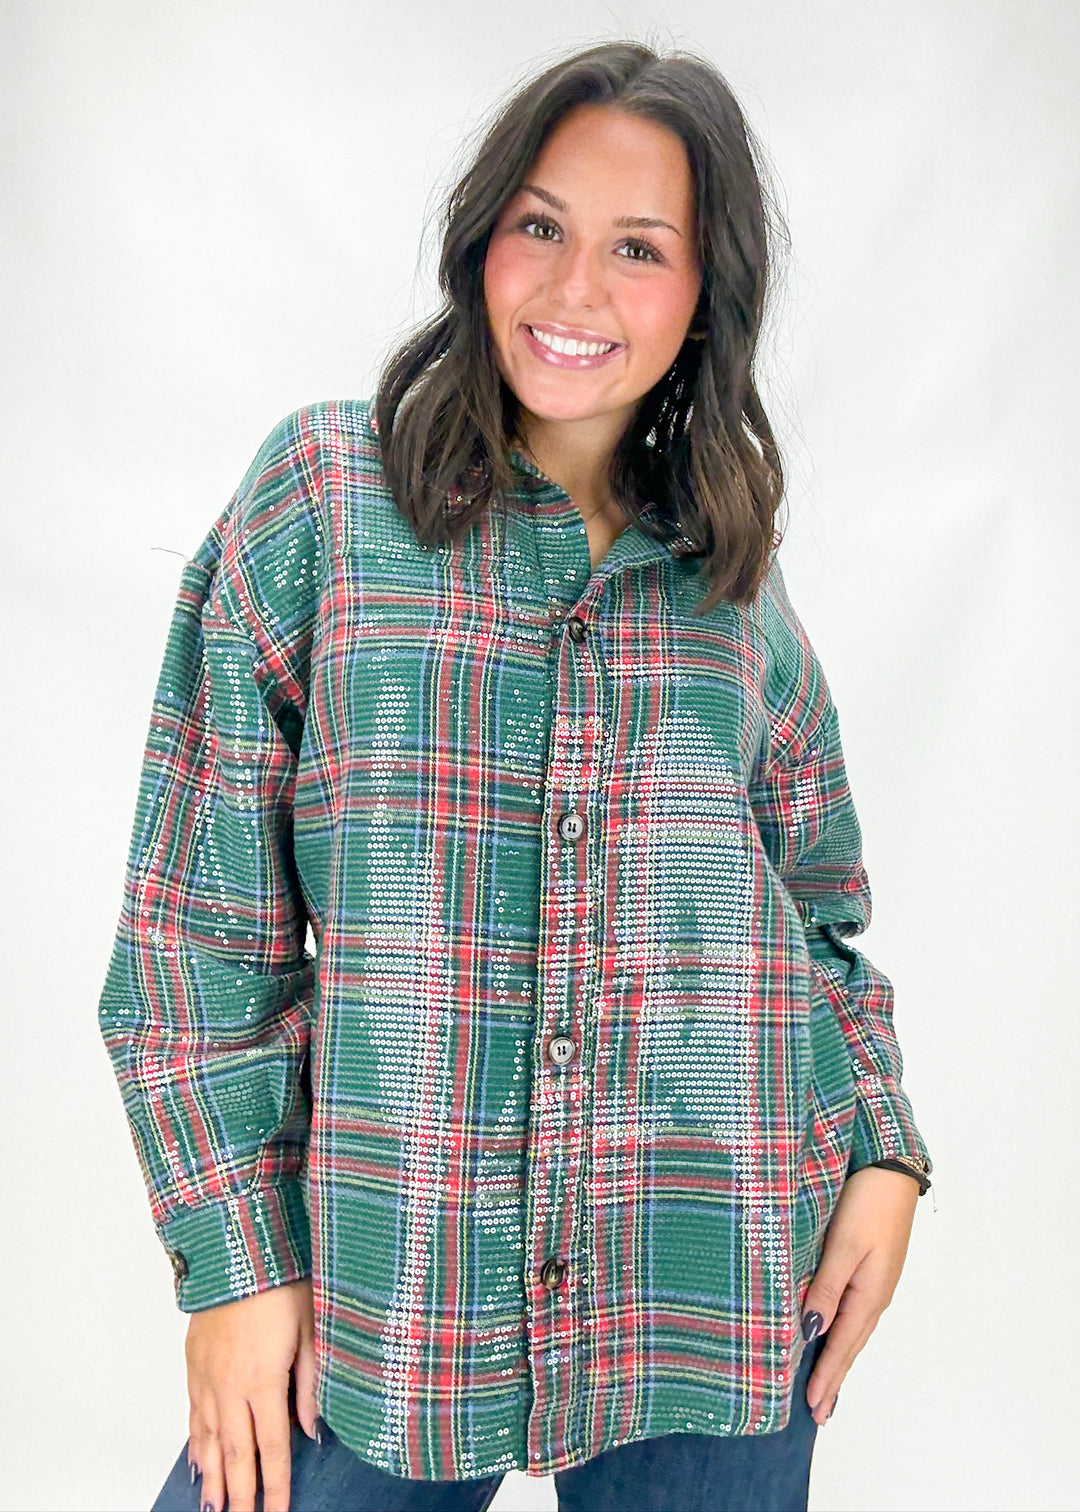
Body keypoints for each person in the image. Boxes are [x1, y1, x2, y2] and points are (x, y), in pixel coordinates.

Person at [97, 38, 933, 1512]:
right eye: (541, 226)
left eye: (639, 248)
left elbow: (813, 910)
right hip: (387, 1298)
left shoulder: (731, 586)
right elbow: (196, 930)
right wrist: (231, 1265)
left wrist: (881, 1153)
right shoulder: (323, 502)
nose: (574, 291)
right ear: (481, 235)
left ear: (704, 295)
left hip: (716, 1282)